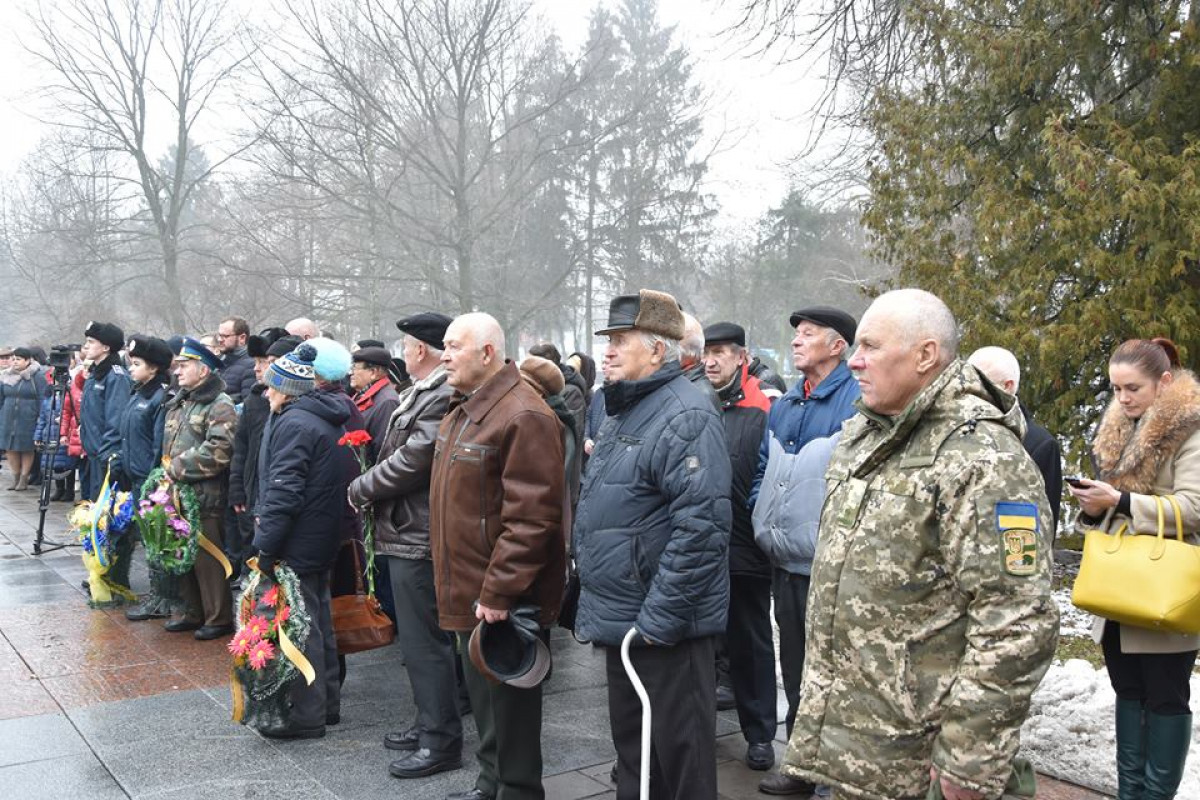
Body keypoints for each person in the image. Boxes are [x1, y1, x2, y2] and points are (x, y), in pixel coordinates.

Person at [780, 288, 1058, 800]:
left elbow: (1016, 620)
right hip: (858, 753)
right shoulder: (867, 434)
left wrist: (968, 762)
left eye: (871, 346)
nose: (855, 361)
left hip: (921, 762)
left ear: (925, 355)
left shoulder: (983, 458)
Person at [574, 290, 732, 800]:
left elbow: (702, 529)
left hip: (664, 629)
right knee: (638, 760)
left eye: (621, 340)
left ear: (658, 350)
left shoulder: (685, 414)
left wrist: (658, 622)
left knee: (681, 764)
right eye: (609, 340)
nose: (608, 351)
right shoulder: (627, 408)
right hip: (628, 621)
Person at [429, 312, 566, 800]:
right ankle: (490, 786)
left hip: (500, 599)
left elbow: (531, 519)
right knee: (487, 709)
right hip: (470, 589)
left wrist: (500, 592)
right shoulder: (465, 409)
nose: (444, 356)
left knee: (510, 714)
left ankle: (516, 791)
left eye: (454, 346)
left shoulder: (523, 414)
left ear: (487, 353)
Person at [1068, 337, 1200, 800]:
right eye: (1116, 389)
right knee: (1127, 692)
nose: (1122, 399)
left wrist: (1121, 501)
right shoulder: (1117, 432)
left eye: (1132, 388)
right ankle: (1130, 793)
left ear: (1164, 382)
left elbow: (1194, 508)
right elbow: (1111, 506)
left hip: (1166, 587)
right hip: (1118, 586)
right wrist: (1092, 506)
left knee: (1165, 697)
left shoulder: (1191, 430)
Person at [347, 311, 463, 780]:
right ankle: (428, 722)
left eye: (406, 346)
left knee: (425, 644)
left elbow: (414, 459)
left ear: (419, 350)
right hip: (406, 529)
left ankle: (440, 740)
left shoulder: (440, 393)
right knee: (419, 645)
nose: (402, 354)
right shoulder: (424, 391)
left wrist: (362, 486)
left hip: (417, 533)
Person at [752, 305, 860, 796]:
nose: (796, 341)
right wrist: (761, 513)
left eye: (808, 334)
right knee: (795, 669)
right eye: (796, 334)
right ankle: (800, 766)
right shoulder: (787, 403)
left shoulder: (856, 401)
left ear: (837, 346)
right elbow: (764, 469)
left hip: (829, 566)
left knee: (832, 673)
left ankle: (831, 777)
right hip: (785, 560)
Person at [252, 343, 351, 739]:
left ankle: (307, 715)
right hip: (320, 536)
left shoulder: (294, 424)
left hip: (298, 540)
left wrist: (266, 546)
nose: (266, 393)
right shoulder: (319, 417)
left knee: (300, 627)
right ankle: (327, 706)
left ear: (287, 390)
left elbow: (284, 493)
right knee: (318, 620)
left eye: (271, 387)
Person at [700, 322, 777, 772]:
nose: (711, 361)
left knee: (750, 646)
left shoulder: (762, 407)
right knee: (699, 650)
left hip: (745, 550)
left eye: (721, 353)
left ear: (741, 357)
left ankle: (760, 734)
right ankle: (695, 731)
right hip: (701, 549)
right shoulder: (695, 402)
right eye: (707, 352)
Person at [162, 337, 238, 640]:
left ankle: (218, 618)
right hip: (177, 493)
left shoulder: (220, 403)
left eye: (185, 366)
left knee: (208, 559)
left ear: (203, 370)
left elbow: (219, 450)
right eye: (178, 366)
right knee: (184, 555)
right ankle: (192, 612)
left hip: (205, 496)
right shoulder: (182, 400)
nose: (177, 371)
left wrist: (177, 468)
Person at [968, 346, 1064, 542]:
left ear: (1008, 386)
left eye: (979, 384)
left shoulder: (1039, 444)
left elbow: (1044, 530)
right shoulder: (960, 434)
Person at [230, 335, 300, 584]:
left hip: (273, 495)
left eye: (265, 362)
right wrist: (237, 487)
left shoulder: (292, 408)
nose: (257, 368)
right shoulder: (254, 399)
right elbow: (241, 447)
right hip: (252, 489)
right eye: (257, 362)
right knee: (249, 541)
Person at [79, 322, 132, 501]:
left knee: (104, 506)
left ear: (106, 347)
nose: (86, 346)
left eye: (91, 341)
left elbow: (116, 421)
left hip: (105, 455)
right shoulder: (95, 374)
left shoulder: (116, 376)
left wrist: (105, 454)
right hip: (92, 452)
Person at [0, 348, 47, 491]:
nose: (15, 362)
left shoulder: (36, 376)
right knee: (9, 447)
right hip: (7, 416)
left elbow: (42, 397)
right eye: (13, 359)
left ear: (27, 361)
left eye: (19, 359)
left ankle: (24, 478)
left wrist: (41, 417)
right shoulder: (6, 376)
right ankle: (15, 477)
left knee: (27, 448)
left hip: (28, 417)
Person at [350, 346, 402, 460]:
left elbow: (383, 453)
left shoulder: (387, 402)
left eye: (355, 368)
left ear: (373, 372)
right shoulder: (362, 395)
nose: (351, 373)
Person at [216, 317, 256, 403]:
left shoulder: (251, 366)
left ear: (242, 338)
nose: (219, 340)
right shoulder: (219, 362)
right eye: (219, 335)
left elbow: (248, 404)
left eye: (225, 336)